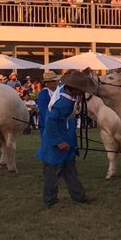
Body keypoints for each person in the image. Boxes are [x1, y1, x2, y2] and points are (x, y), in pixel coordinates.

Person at [36, 72, 91, 208]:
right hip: (57, 141)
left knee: (70, 170)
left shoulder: (66, 92)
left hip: (67, 138)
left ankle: (79, 196)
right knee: (52, 172)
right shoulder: (62, 103)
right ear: (73, 88)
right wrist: (58, 141)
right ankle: (50, 200)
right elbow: (50, 122)